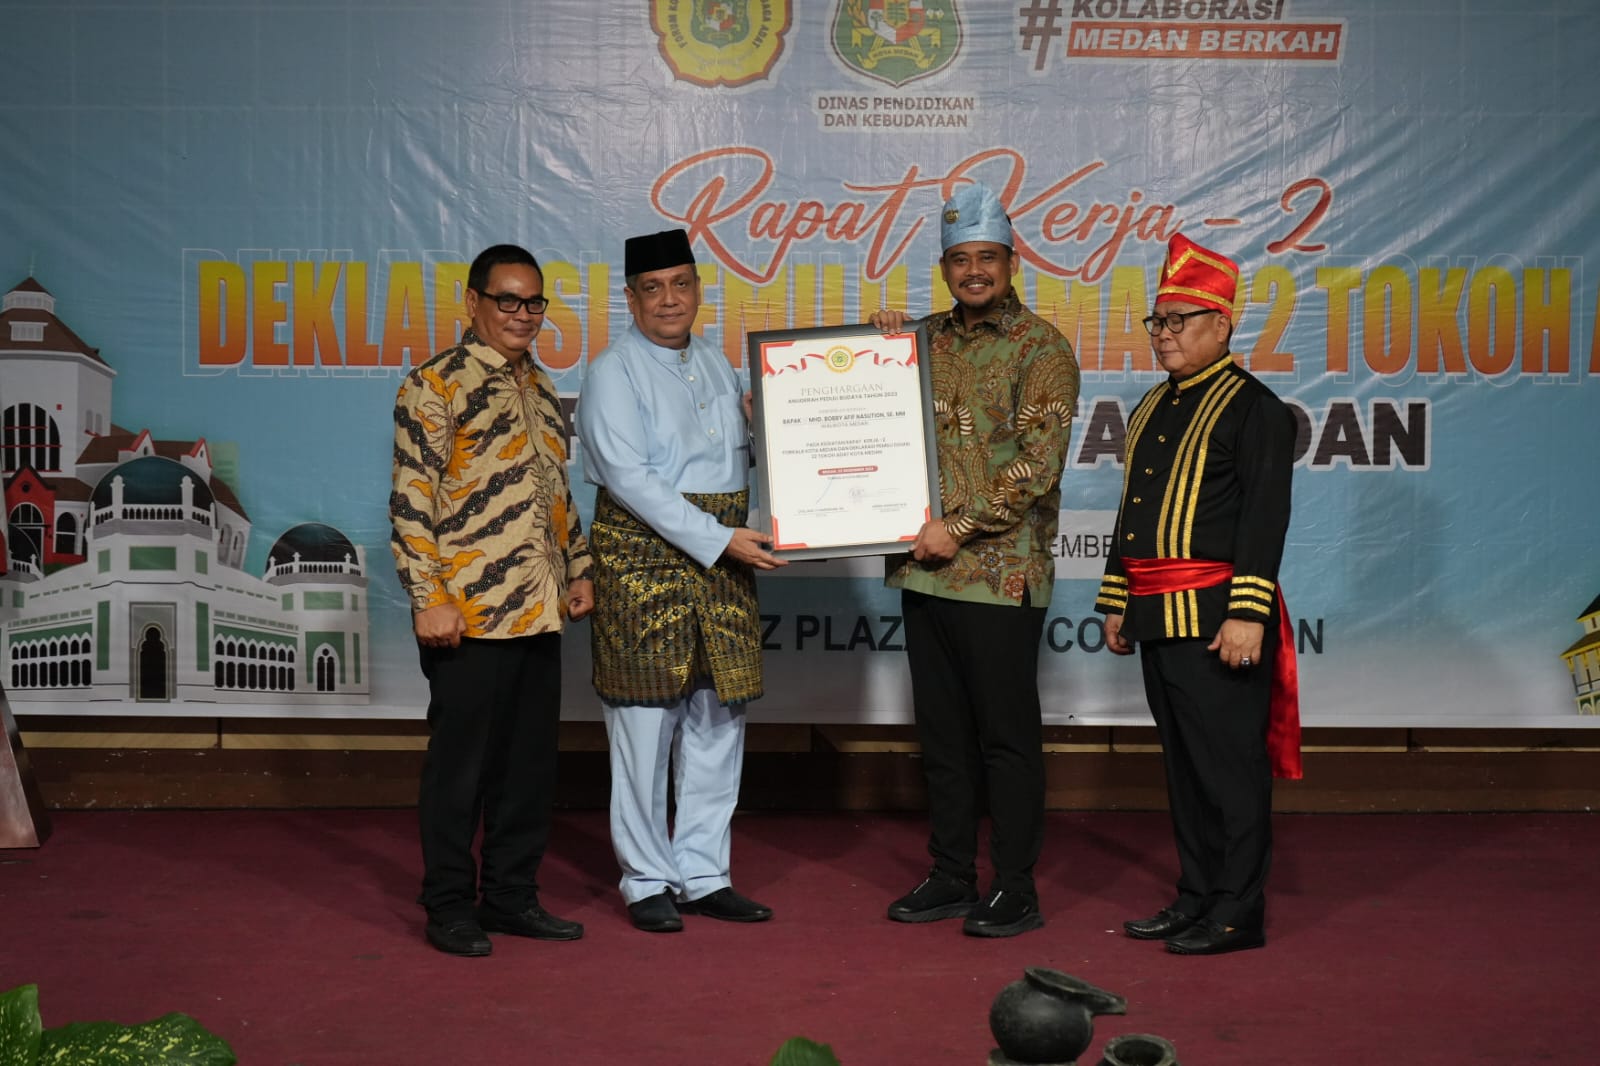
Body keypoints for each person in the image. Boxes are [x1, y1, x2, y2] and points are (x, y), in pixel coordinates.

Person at [870, 183, 1080, 938]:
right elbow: (870, 417)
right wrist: (873, 350)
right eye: (960, 260)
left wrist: (958, 527)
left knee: (1006, 741)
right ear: (944, 268)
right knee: (943, 739)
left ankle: (1016, 887)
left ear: (1011, 262)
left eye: (988, 257)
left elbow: (1038, 465)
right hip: (926, 573)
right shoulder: (921, 339)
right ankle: (952, 873)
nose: (975, 271)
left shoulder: (1041, 348)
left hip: (1000, 575)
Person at [1095, 231, 1302, 956]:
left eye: (1179, 320)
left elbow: (1264, 519)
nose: (1164, 333)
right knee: (1184, 769)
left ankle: (1238, 909)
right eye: (1157, 320)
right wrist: (1117, 597)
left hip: (1217, 616)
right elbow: (1132, 512)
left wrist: (1248, 614)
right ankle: (1196, 894)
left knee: (1230, 769)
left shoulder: (1256, 408)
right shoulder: (1152, 406)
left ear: (1222, 325)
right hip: (1155, 612)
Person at [576, 228, 785, 933]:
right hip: (644, 563)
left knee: (717, 720)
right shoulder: (613, 372)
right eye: (653, 288)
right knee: (644, 726)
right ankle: (646, 879)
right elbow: (630, 480)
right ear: (630, 297)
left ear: (698, 289)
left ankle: (704, 872)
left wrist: (765, 430)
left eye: (681, 284)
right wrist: (721, 539)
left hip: (722, 559)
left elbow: (730, 462)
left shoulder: (717, 363)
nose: (669, 299)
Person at [389, 243, 594, 957]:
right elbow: (411, 499)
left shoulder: (540, 384)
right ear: (473, 302)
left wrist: (579, 568)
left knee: (527, 768)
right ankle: (448, 904)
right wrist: (427, 597)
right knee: (461, 770)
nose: (522, 314)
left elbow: (556, 492)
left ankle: (510, 897)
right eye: (507, 300)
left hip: (538, 609)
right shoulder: (435, 384)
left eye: (534, 302)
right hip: (468, 614)